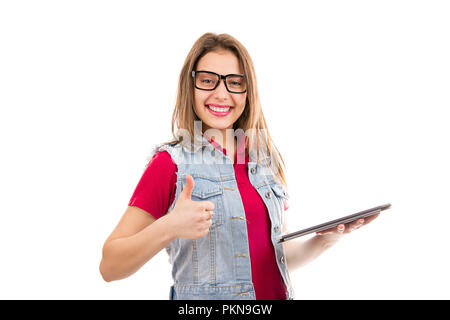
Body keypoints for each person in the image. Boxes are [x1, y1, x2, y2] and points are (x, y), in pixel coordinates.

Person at [99, 32, 379, 300]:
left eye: (234, 82)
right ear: (191, 86)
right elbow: (110, 266)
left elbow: (276, 257)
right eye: (208, 81)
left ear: (248, 90)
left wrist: (326, 240)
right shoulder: (170, 164)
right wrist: (169, 226)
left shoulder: (263, 158)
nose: (222, 94)